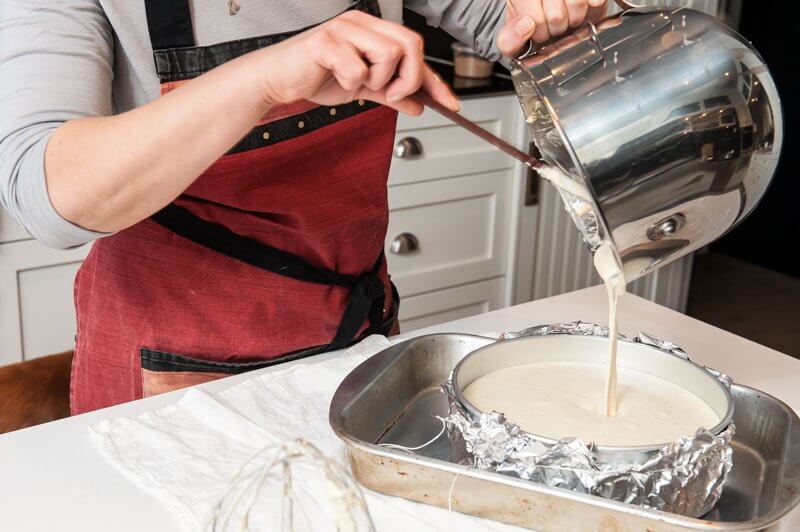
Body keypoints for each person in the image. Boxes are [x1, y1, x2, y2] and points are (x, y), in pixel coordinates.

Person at [0, 0, 608, 414]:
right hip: (170, 364)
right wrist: (266, 79)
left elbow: (511, 24)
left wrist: (550, 14)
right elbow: (48, 192)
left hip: (357, 333)